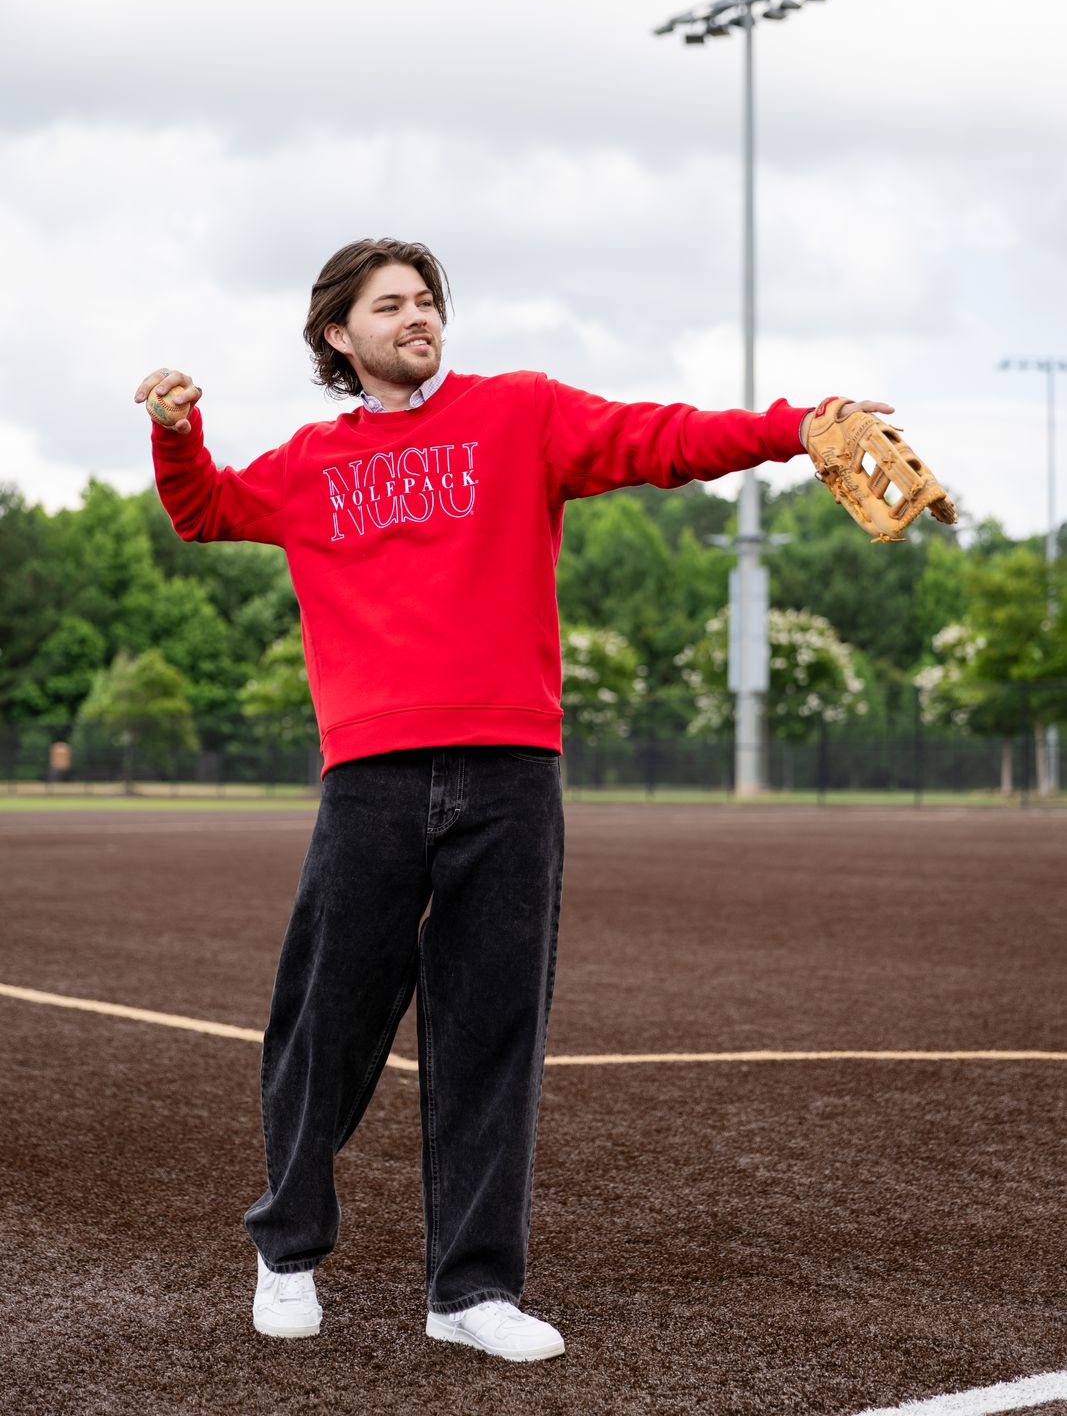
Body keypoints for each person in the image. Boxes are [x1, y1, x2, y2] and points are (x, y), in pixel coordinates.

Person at [135, 237, 890, 1363]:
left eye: (427, 298)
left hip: (510, 771)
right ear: (338, 336)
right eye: (389, 304)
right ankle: (286, 1248)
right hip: (373, 775)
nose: (418, 315)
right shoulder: (305, 465)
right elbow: (202, 510)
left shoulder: (519, 415)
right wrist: (174, 432)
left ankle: (470, 1289)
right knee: (326, 1024)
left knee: (493, 1032)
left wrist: (792, 424)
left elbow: (660, 439)